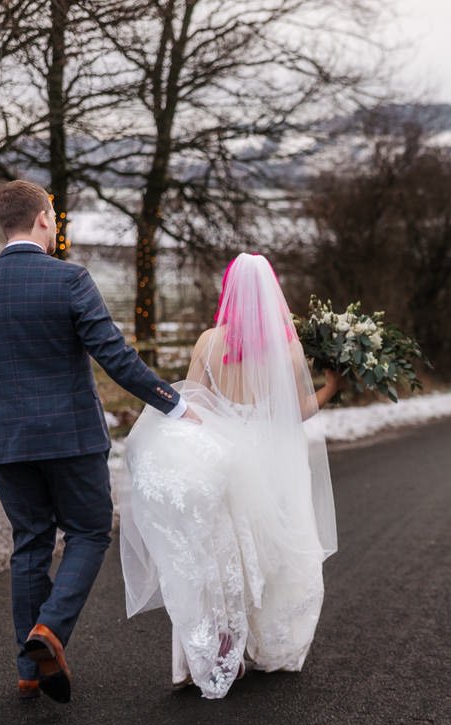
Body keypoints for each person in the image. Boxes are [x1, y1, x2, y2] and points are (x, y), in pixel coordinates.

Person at [0, 179, 199, 704]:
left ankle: (29, 670)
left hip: (8, 445)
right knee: (89, 532)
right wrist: (175, 402)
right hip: (73, 439)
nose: (55, 227)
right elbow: (115, 356)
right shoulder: (71, 280)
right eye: (53, 218)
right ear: (40, 220)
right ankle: (48, 632)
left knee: (31, 542)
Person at [118, 253, 339, 699]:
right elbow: (294, 413)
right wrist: (333, 386)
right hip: (270, 460)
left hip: (220, 460)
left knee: (218, 558)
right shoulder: (289, 347)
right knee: (269, 554)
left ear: (228, 294)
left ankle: (215, 650)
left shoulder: (207, 343)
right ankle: (267, 644)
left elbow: (191, 406)